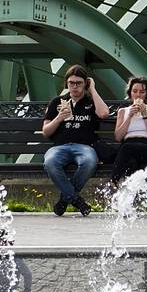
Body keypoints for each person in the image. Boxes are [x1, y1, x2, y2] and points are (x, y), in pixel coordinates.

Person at [41, 64, 110, 217]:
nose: (74, 86)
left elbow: (104, 113)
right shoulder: (57, 102)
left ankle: (65, 199)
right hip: (60, 147)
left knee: (89, 162)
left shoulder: (90, 101)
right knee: (50, 162)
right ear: (67, 83)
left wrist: (92, 89)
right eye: (71, 83)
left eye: (79, 83)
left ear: (85, 83)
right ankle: (76, 200)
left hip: (84, 146)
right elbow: (46, 131)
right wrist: (59, 118)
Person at [109, 76, 147, 183]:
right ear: (130, 93)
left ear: (146, 94)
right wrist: (129, 116)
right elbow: (118, 137)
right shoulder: (123, 111)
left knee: (127, 149)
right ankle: (136, 196)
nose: (138, 95)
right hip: (128, 145)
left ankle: (114, 179)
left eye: (142, 92)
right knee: (132, 162)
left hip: (146, 145)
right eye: (135, 91)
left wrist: (145, 115)